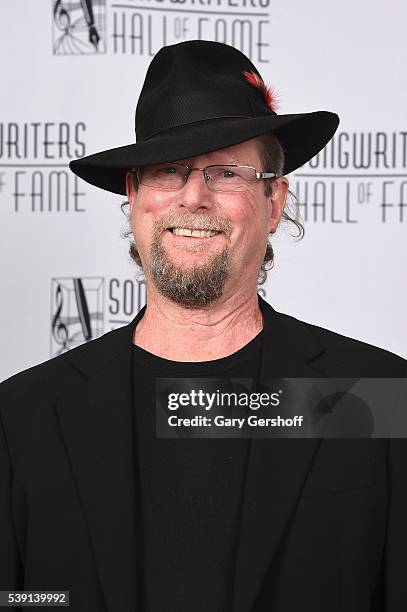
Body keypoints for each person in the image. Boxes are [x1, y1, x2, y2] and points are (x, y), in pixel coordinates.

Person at [0, 40, 406, 612]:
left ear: (274, 201)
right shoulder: (24, 419)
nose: (194, 197)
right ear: (134, 195)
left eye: (226, 172)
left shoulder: (378, 401)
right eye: (169, 171)